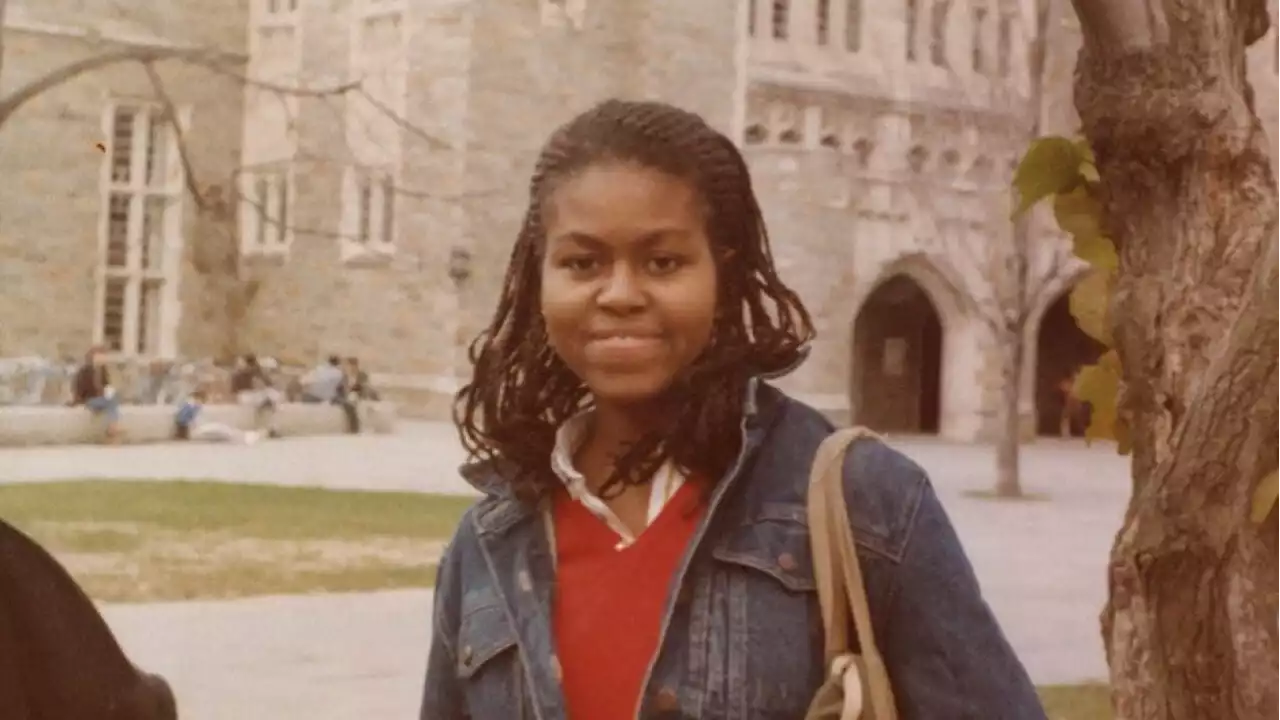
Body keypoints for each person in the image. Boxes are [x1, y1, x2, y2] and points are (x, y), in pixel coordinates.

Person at [419, 100, 1046, 719]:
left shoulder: (865, 501)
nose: (619, 294)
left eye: (663, 262)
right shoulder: (489, 543)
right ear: (540, 279)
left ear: (723, 277)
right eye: (583, 263)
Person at [69, 346, 122, 443]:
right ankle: (112, 429)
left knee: (113, 400)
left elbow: (106, 386)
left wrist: (108, 391)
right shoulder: (85, 371)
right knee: (112, 402)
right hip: (89, 400)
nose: (103, 359)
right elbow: (80, 389)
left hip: (101, 400)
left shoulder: (103, 371)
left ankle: (112, 428)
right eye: (101, 356)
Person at [173, 389, 262, 444]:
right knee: (221, 429)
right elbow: (182, 420)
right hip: (197, 431)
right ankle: (244, 437)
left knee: (222, 429)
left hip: (199, 430)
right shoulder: (191, 406)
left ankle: (244, 436)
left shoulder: (194, 407)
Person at [230, 353, 281, 438]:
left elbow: (268, 383)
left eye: (241, 362)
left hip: (256, 396)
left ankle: (273, 427)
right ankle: (270, 426)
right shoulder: (237, 375)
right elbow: (234, 391)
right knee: (270, 395)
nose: (239, 365)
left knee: (272, 394)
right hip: (246, 395)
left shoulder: (257, 372)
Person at [335, 356, 377, 434]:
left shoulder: (362, 375)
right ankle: (352, 427)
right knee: (348, 403)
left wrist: (353, 391)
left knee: (352, 400)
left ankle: (354, 427)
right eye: (347, 366)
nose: (349, 368)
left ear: (355, 365)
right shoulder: (345, 376)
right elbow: (340, 388)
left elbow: (363, 386)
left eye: (350, 365)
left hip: (359, 395)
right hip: (348, 397)